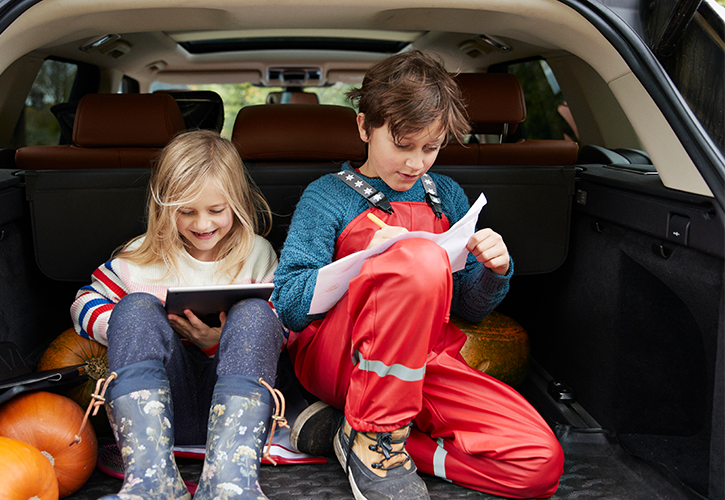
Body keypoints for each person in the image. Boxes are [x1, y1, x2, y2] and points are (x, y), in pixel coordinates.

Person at [271, 50, 564, 500]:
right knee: (417, 259)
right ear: (364, 127)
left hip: (420, 363)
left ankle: (362, 440)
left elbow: (466, 307)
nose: (415, 164)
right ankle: (373, 436)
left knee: (539, 463)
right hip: (343, 358)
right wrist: (364, 267)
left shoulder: (444, 194)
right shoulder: (327, 196)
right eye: (402, 145)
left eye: (431, 148)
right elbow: (289, 303)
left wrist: (494, 270)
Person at [70, 130, 286, 500]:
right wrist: (125, 325)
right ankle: (152, 483)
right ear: (164, 207)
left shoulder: (257, 254)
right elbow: (82, 304)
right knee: (135, 309)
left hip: (244, 420)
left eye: (216, 211)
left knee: (256, 314)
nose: (202, 225)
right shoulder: (141, 257)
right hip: (160, 414)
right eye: (186, 212)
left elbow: (281, 326)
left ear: (236, 202)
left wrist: (217, 344)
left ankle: (229, 486)